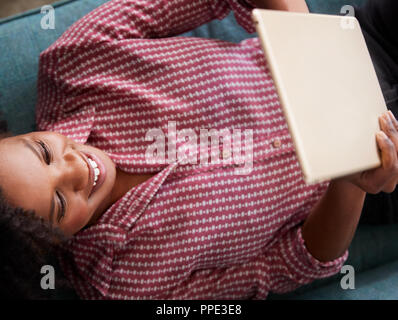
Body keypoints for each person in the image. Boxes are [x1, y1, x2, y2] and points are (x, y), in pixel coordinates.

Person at [0, 0, 397, 299]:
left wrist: (324, 61)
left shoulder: (77, 63)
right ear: (46, 250)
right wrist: (352, 180)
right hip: (375, 172)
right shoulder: (123, 285)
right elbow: (295, 264)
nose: (75, 169)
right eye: (58, 203)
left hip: (356, 44)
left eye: (43, 152)